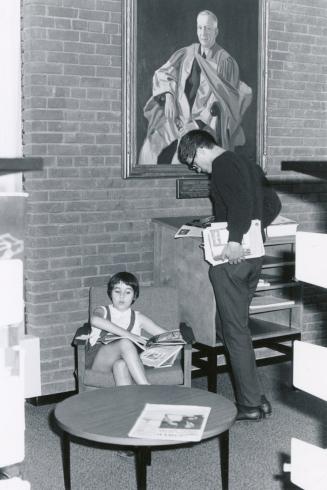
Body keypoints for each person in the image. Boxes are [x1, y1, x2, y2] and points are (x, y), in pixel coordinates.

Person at [177, 129, 282, 421]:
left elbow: (239, 205)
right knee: (230, 326)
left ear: (198, 149)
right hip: (254, 258)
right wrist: (254, 230)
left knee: (234, 331)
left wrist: (235, 238)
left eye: (193, 163)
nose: (196, 169)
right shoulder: (249, 165)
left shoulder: (222, 166)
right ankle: (256, 396)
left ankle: (249, 404)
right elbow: (272, 204)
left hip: (232, 261)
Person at [138, 10, 252, 165]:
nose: (203, 33)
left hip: (204, 126)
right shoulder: (187, 53)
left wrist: (197, 124)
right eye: (200, 28)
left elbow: (223, 102)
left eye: (208, 28)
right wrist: (169, 95)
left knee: (178, 161)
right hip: (179, 119)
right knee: (149, 147)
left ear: (216, 31)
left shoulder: (225, 62)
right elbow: (163, 73)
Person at [87, 272, 166, 385]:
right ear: (110, 293)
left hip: (127, 364)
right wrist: (130, 335)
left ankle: (130, 402)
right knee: (125, 342)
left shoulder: (138, 317)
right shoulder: (102, 310)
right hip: (100, 361)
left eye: (127, 292)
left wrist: (175, 341)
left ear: (134, 295)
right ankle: (146, 387)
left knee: (121, 365)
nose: (122, 296)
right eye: (117, 291)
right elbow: (95, 320)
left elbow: (164, 335)